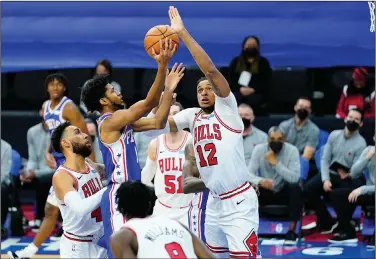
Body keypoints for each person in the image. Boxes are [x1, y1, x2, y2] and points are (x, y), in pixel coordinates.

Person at [144, 7, 261, 258]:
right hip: (214, 203)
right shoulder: (192, 116)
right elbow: (156, 124)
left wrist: (182, 33)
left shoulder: (228, 110)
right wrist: (165, 84)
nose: (205, 92)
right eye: (200, 90)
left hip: (239, 201)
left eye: (209, 88)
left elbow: (210, 70)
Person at [80, 40, 183, 258]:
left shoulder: (123, 121)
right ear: (103, 100)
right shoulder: (109, 121)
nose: (117, 92)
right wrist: (162, 66)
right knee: (120, 251)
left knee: (140, 249)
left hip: (133, 191)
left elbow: (157, 122)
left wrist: (168, 89)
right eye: (111, 90)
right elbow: (147, 104)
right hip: (118, 192)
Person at [11, 73, 95, 259]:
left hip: (74, 165)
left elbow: (84, 137)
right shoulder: (46, 107)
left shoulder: (69, 108)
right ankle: (30, 251)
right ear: (47, 88)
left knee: (73, 210)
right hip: (61, 166)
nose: (55, 87)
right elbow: (55, 134)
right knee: (52, 210)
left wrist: (92, 165)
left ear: (64, 88)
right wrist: (48, 151)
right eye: (52, 84)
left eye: (59, 84)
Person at [110, 181, 214, 259]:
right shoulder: (177, 225)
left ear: (120, 209)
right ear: (149, 204)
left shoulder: (122, 236)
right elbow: (208, 257)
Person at [303, 108, 367, 234]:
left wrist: (348, 174)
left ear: (361, 124)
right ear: (345, 118)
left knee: (344, 192)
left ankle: (344, 222)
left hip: (347, 177)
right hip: (330, 173)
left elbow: (357, 169)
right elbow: (325, 160)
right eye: (351, 117)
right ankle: (327, 221)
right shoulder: (334, 135)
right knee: (308, 189)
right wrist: (325, 179)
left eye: (356, 119)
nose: (352, 121)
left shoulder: (361, 144)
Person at [50, 122, 106, 258]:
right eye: (78, 133)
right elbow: (80, 208)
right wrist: (109, 188)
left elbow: (119, 174)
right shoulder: (62, 176)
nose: (85, 135)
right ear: (66, 143)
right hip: (78, 248)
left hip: (101, 242)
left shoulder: (90, 165)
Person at [141, 102, 193, 226]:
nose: (171, 118)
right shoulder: (155, 144)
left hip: (188, 208)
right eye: (167, 114)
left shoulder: (193, 141)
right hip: (163, 208)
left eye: (175, 114)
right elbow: (145, 177)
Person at [248, 126, 303, 242]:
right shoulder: (259, 149)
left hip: (284, 191)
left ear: (284, 140)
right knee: (250, 188)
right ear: (268, 139)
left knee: (296, 188)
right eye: (272, 138)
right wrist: (261, 181)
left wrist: (276, 163)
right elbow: (248, 174)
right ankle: (250, 230)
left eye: (279, 139)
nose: (275, 142)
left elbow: (295, 178)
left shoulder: (292, 150)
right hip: (266, 191)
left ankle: (291, 230)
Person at [329, 137, 375, 244]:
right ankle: (349, 232)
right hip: (370, 193)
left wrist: (362, 189)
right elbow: (354, 173)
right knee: (337, 195)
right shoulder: (368, 150)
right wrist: (367, 157)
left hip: (369, 190)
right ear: (374, 137)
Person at [20, 101, 54, 231]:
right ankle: (19, 217)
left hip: (58, 171)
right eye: (46, 110)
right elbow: (32, 158)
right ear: (41, 112)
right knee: (15, 181)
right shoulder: (32, 132)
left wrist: (36, 174)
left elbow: (58, 164)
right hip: (38, 171)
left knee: (43, 182)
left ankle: (42, 218)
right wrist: (28, 172)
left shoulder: (62, 131)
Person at [227, 36, 272, 115]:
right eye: (248, 45)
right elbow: (230, 80)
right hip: (238, 92)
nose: (251, 47)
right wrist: (240, 89)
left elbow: (267, 82)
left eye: (253, 45)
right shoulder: (236, 62)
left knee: (255, 100)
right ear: (243, 47)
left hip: (256, 92)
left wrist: (253, 89)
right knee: (235, 99)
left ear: (258, 47)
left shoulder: (263, 62)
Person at [182, 138, 210, 245]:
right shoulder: (192, 145)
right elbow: (186, 185)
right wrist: (213, 181)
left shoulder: (222, 143)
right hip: (200, 210)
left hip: (220, 208)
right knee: (201, 248)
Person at [1, 139, 12, 233]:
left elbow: (4, 174)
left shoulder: (5, 147)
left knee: (2, 188)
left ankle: (1, 226)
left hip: (1, 182)